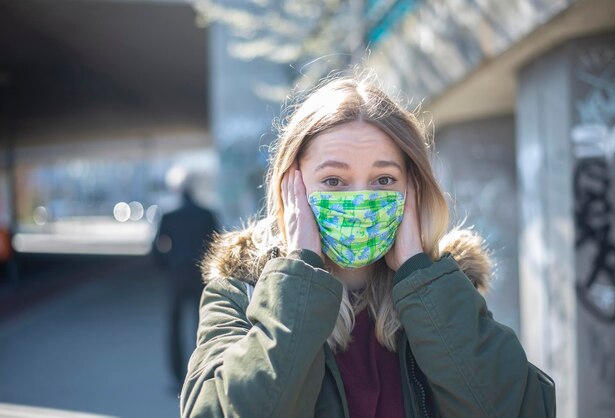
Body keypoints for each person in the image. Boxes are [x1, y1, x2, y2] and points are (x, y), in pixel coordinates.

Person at [180, 76, 556, 417]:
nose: (360, 199)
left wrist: (419, 274)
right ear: (291, 187)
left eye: (382, 179)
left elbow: (521, 408)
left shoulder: (444, 292)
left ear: (413, 189)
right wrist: (299, 280)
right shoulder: (240, 294)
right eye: (333, 180)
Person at [154, 175, 219, 388]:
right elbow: (216, 245)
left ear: (176, 189)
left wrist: (168, 267)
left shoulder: (169, 213)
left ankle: (176, 378)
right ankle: (201, 374)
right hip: (201, 276)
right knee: (203, 327)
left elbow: (156, 247)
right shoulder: (206, 214)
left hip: (177, 277)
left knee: (174, 326)